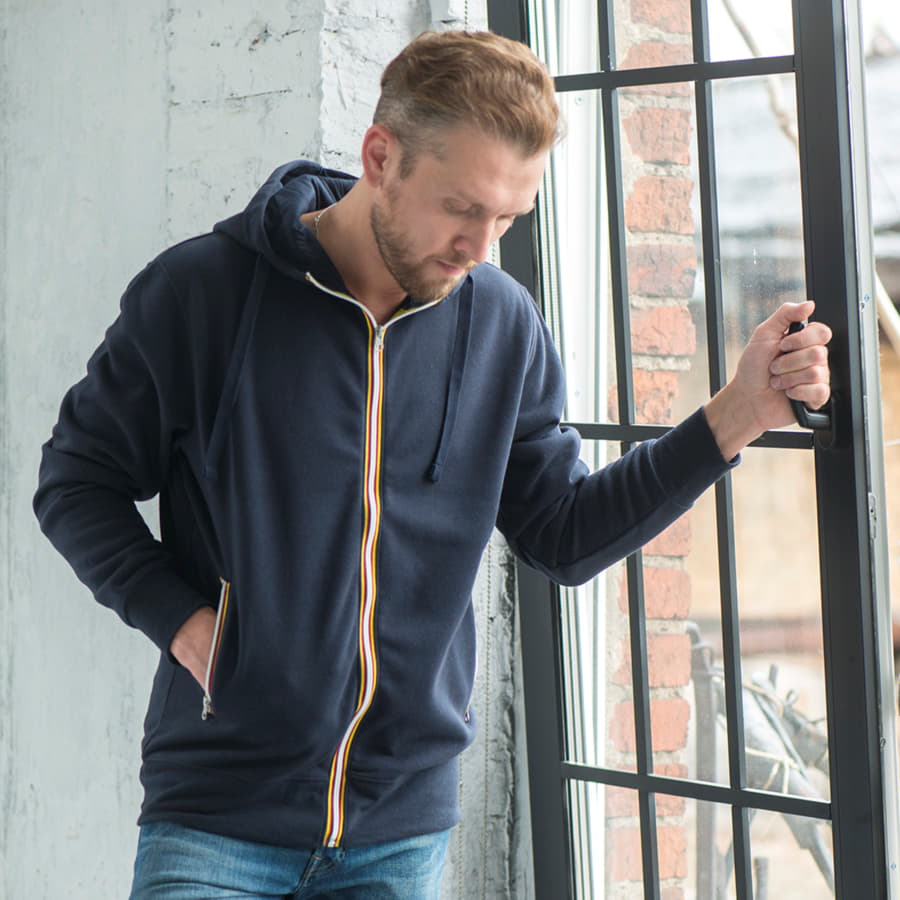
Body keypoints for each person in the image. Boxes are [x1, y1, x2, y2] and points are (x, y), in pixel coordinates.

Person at [34, 29, 831, 900]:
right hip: (217, 819)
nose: (480, 247)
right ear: (381, 157)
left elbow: (562, 534)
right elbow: (77, 481)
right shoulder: (204, 293)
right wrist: (186, 623)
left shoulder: (501, 323)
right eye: (462, 208)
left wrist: (735, 415)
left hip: (399, 836)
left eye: (508, 219)